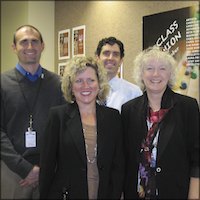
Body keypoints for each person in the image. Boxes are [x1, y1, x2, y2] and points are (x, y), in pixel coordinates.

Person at [39, 56, 124, 199]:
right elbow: (47, 167)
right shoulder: (57, 117)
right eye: (79, 81)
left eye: (91, 80)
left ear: (99, 84)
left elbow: (119, 166)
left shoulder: (113, 117)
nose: (86, 86)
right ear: (71, 86)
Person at [121, 46, 199, 199]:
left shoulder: (187, 107)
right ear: (141, 74)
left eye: (162, 68)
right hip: (136, 193)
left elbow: (196, 156)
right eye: (149, 68)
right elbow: (124, 157)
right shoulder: (128, 110)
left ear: (170, 74)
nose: (155, 74)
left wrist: (194, 194)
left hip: (175, 192)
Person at [1, 25, 65, 199]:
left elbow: (64, 128)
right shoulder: (2, 83)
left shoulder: (58, 84)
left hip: (50, 171)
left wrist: (46, 167)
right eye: (24, 42)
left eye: (35, 42)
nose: (30, 47)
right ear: (14, 47)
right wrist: (24, 168)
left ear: (42, 46)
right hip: (13, 172)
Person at [95, 36, 142, 112]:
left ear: (121, 61)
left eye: (115, 54)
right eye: (106, 53)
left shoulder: (134, 93)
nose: (110, 58)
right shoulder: (87, 90)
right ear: (97, 58)